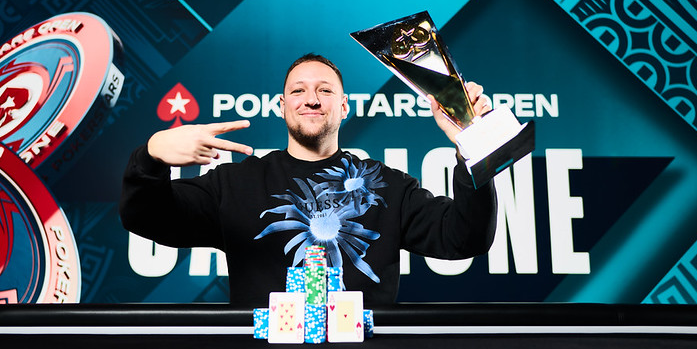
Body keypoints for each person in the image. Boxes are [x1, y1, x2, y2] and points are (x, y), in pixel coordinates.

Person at [120, 53, 497, 307]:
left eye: (325, 90)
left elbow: (466, 237)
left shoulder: (389, 186)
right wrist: (152, 155)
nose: (311, 99)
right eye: (298, 90)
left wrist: (471, 146)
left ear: (344, 106)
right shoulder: (234, 183)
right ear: (282, 106)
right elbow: (145, 218)